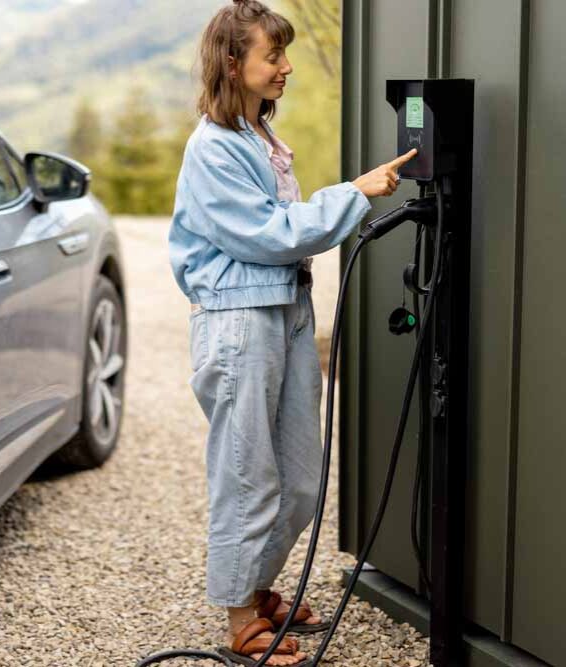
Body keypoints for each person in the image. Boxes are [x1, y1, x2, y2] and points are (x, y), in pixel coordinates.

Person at [168, 1, 417, 664]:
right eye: (271, 55)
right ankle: (238, 617)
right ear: (232, 63)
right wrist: (354, 193)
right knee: (247, 474)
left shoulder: (258, 137)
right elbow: (270, 235)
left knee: (300, 476)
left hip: (282, 313)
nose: (284, 68)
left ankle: (255, 586)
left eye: (283, 54)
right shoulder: (214, 148)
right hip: (238, 322)